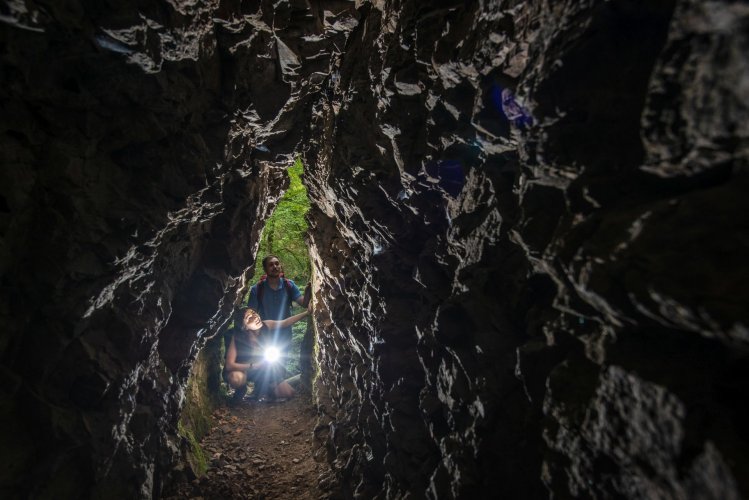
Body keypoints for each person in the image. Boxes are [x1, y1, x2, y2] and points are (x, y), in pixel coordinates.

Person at [223, 307, 309, 404]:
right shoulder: (237, 336)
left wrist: (307, 313)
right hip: (243, 370)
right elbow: (229, 365)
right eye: (249, 317)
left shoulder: (266, 325)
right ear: (244, 326)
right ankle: (241, 390)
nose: (255, 317)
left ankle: (266, 391)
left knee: (289, 393)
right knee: (236, 378)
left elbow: (285, 322)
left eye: (254, 313)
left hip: (262, 370)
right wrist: (253, 366)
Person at [247, 255, 308, 361]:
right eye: (271, 265)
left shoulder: (289, 285)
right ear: (265, 269)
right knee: (264, 369)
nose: (275, 267)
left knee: (281, 366)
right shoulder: (257, 289)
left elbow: (303, 303)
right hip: (265, 335)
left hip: (285, 335)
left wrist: (308, 292)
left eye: (277, 263)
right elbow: (250, 315)